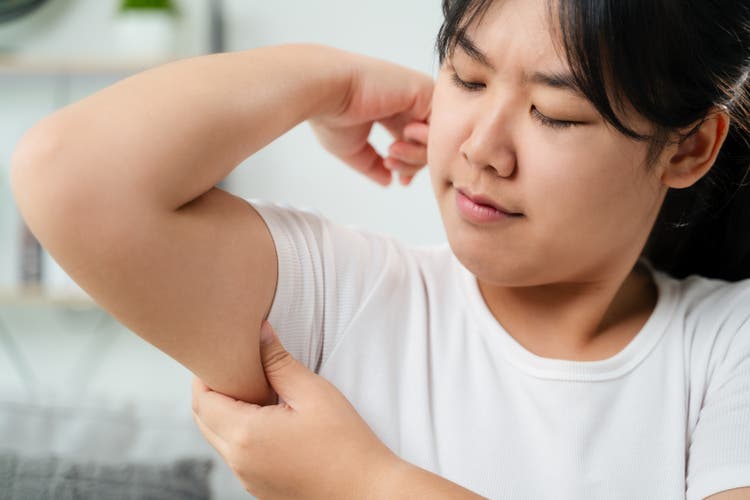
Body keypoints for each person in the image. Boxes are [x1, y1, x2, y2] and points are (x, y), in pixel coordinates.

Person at [9, 0, 750, 497]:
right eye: (465, 75)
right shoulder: (351, 297)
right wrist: (326, 79)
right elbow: (67, 176)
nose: (483, 148)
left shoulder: (726, 348)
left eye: (554, 114)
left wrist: (363, 482)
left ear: (688, 148)